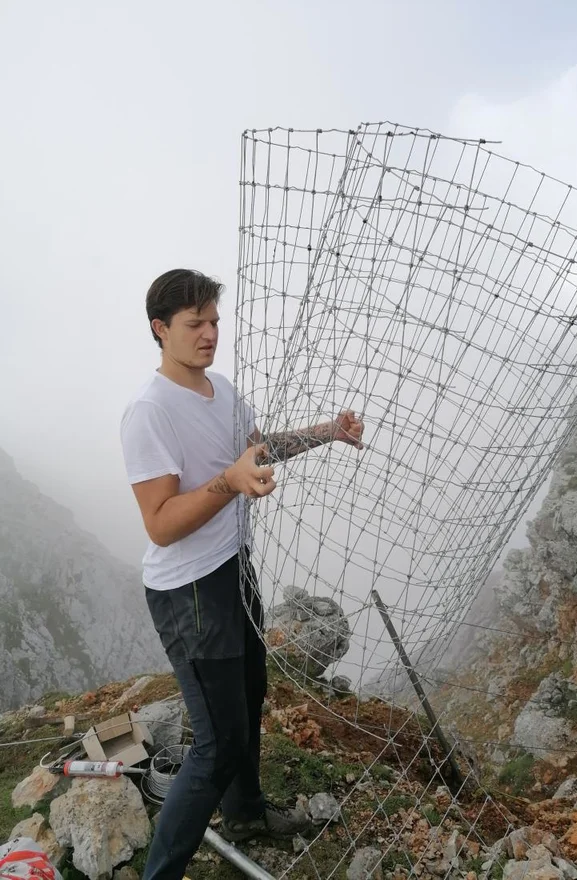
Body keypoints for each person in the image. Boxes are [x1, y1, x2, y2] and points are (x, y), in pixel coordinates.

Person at [120, 268, 364, 880]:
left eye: (214, 320)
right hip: (189, 591)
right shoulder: (148, 412)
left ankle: (248, 815)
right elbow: (160, 521)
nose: (209, 334)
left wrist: (325, 433)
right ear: (160, 329)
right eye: (194, 323)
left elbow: (257, 448)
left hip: (234, 569)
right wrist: (229, 482)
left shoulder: (221, 391)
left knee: (250, 697)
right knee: (216, 744)